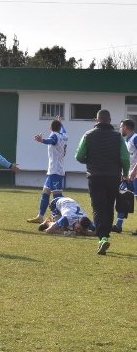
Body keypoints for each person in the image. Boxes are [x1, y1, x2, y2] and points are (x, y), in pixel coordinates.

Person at [74, 109, 130, 255]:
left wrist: (90, 160)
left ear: (96, 120)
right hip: (113, 177)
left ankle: (102, 238)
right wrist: (125, 173)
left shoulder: (88, 135)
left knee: (98, 207)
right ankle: (105, 234)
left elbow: (79, 156)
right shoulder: (118, 136)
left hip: (95, 176)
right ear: (110, 120)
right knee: (109, 206)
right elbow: (124, 158)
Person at [27, 116, 68, 224]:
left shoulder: (54, 135)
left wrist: (41, 140)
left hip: (55, 170)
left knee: (57, 196)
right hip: (53, 170)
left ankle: (62, 218)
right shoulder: (63, 135)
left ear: (50, 128)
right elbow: (63, 131)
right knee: (45, 193)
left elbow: (51, 140)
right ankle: (40, 216)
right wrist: (60, 123)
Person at [114, 119, 137, 234]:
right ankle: (118, 226)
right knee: (122, 198)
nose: (120, 128)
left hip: (135, 176)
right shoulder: (126, 140)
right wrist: (125, 173)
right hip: (128, 177)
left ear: (126, 128)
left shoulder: (135, 138)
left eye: (121, 126)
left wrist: (134, 171)